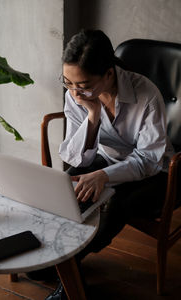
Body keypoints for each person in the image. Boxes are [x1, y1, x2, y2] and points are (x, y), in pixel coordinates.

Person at [40, 29, 174, 300]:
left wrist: (104, 175)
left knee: (114, 205)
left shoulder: (146, 94)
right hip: (105, 159)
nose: (76, 92)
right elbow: (78, 158)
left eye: (84, 85)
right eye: (68, 82)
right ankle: (59, 262)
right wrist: (92, 116)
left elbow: (149, 159)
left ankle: (68, 276)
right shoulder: (76, 94)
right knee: (64, 188)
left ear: (109, 74)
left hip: (155, 172)